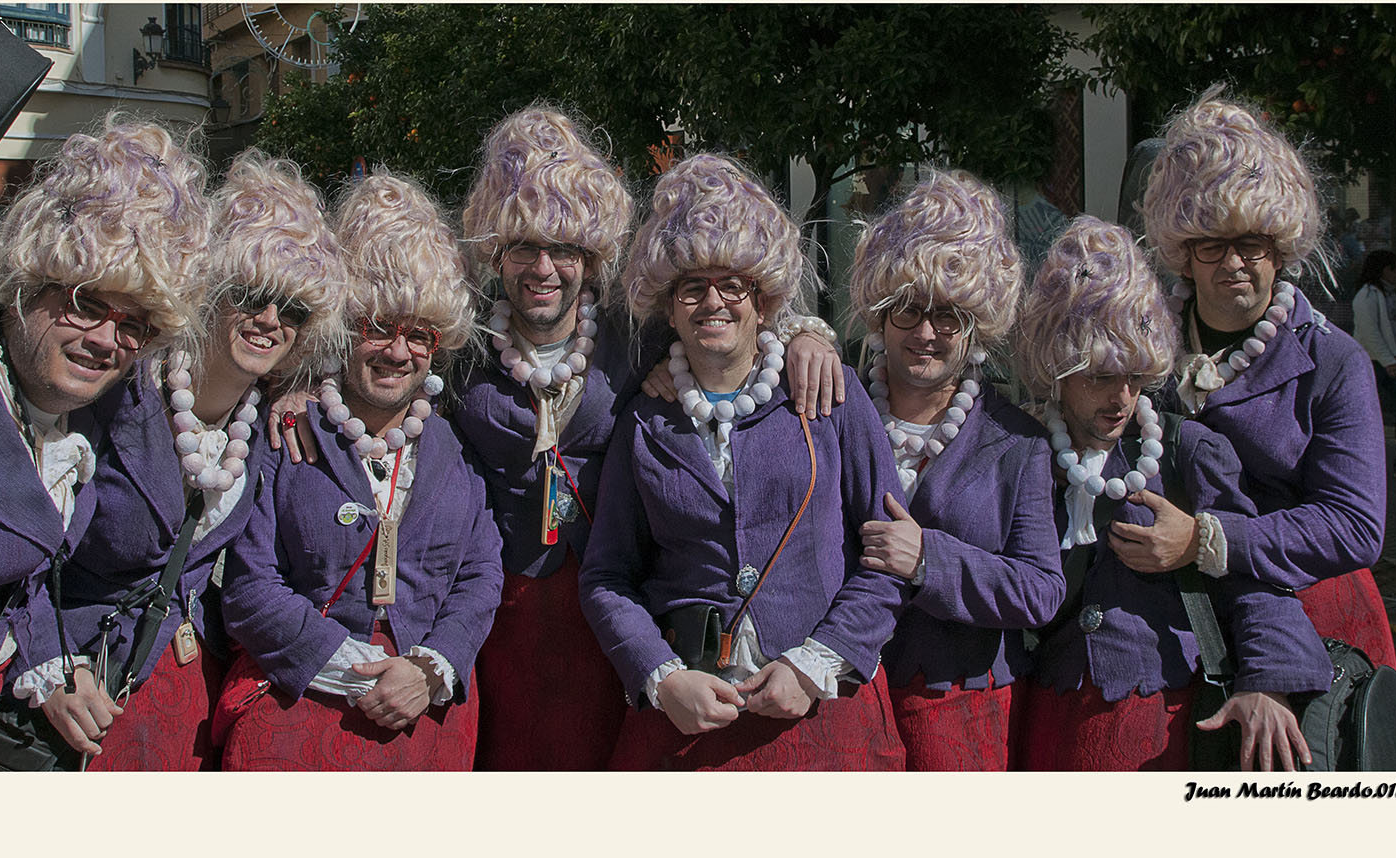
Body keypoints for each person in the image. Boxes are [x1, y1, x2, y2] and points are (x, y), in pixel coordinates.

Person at [447, 105, 845, 770]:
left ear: (590, 258)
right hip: (508, 617)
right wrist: (298, 386)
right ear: (496, 253)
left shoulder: (636, 337)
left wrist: (808, 334)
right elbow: (381, 365)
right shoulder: (461, 350)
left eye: (564, 249)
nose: (544, 267)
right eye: (523, 247)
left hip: (620, 618)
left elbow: (727, 316)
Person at [7, 150, 349, 769]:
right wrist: (46, 663)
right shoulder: (117, 390)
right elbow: (17, 540)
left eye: (293, 309)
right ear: (209, 291)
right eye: (250, 295)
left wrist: (298, 389)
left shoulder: (268, 422)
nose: (270, 320)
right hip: (68, 690)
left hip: (176, 698)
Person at [0, 114, 206, 770]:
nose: (106, 339)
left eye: (136, 323)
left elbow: (28, 566)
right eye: (86, 303)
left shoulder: (74, 408)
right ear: (29, 281)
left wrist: (48, 656)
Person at [579, 153, 906, 770]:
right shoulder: (643, 421)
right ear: (670, 306)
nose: (714, 302)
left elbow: (888, 555)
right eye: (692, 287)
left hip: (824, 721)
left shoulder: (832, 396)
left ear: (762, 299)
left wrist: (817, 663)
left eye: (733, 285)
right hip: (687, 731)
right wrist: (661, 675)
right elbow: (607, 577)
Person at [1014, 217, 1332, 771]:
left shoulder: (1188, 450)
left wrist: (1268, 681)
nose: (1122, 397)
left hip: (1164, 721)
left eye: (1136, 374)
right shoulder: (1019, 452)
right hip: (1045, 720)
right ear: (1058, 368)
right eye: (1100, 375)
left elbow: (1252, 576)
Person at [216, 169, 503, 770]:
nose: (398, 352)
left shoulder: (455, 449)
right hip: (298, 719)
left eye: (419, 335)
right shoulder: (285, 433)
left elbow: (480, 576)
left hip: (426, 727)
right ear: (345, 328)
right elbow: (248, 587)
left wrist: (429, 670)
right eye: (377, 328)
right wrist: (356, 670)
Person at [1142, 90, 1396, 668]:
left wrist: (1208, 539)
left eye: (1251, 244)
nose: (1234, 262)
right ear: (1185, 254)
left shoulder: (1335, 361)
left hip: (1311, 621)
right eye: (1213, 244)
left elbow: (1354, 527)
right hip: (1167, 629)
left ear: (1279, 250)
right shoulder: (1144, 344)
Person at [846, 169, 1063, 771]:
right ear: (881, 315)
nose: (925, 333)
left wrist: (928, 560)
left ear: (977, 326)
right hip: (842, 701)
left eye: (949, 317)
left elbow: (1042, 591)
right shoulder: (832, 410)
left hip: (964, 711)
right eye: (908, 310)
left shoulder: (1018, 442)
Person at [1351, 249, 1396, 424]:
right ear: (1381, 270)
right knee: (1383, 409)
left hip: (1393, 357)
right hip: (1376, 361)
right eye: (1392, 268)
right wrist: (1388, 361)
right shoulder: (1367, 295)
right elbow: (1370, 332)